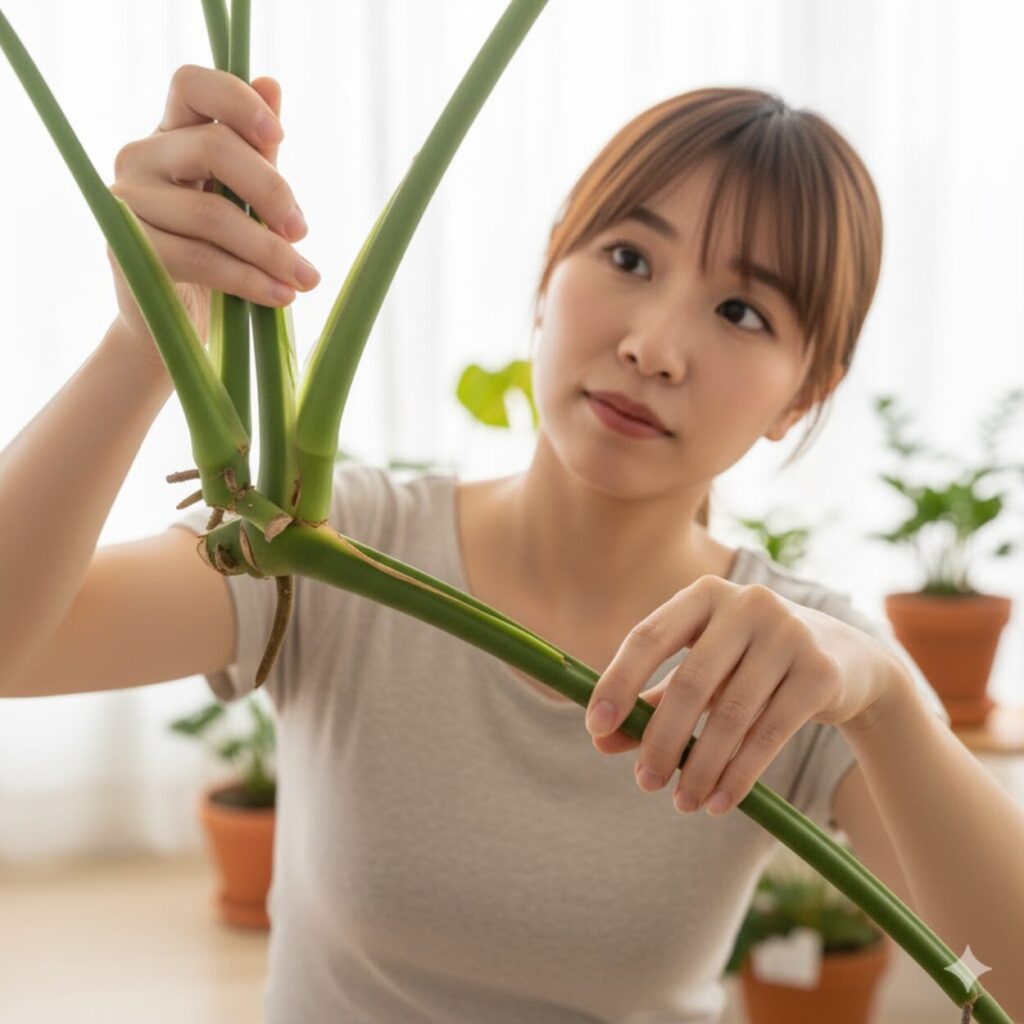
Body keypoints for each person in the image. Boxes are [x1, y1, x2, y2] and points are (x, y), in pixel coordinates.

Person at [4, 65, 1016, 1024]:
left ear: (804, 396)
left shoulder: (785, 670)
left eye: (742, 312)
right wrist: (141, 344)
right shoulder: (336, 546)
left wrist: (885, 701)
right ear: (548, 270)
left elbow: (1005, 980)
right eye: (629, 259)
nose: (653, 347)